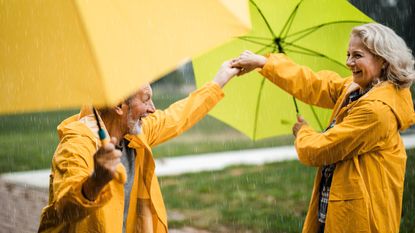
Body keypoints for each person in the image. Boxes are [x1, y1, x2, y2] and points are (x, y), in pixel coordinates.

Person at [232, 23, 415, 232]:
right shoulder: (360, 89)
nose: (348, 62)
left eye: (357, 55)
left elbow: (320, 150)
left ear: (383, 60)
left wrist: (303, 132)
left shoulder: (378, 111)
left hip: (360, 219)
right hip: (338, 208)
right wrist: (265, 63)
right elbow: (315, 84)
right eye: (348, 54)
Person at [38, 61, 240, 233]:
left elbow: (177, 116)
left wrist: (219, 80)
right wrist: (95, 181)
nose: (152, 109)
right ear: (119, 106)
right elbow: (64, 210)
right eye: (145, 100)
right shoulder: (76, 144)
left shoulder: (134, 135)